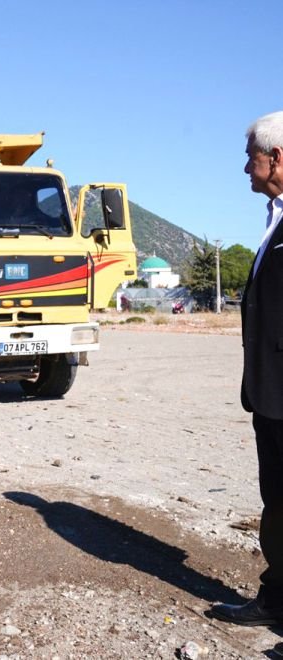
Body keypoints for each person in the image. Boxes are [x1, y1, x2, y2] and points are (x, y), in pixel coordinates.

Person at [209, 110, 283, 626]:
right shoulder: (275, 218)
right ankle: (276, 601)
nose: (245, 170)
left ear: (276, 158)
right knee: (278, 503)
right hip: (272, 396)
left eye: (249, 159)